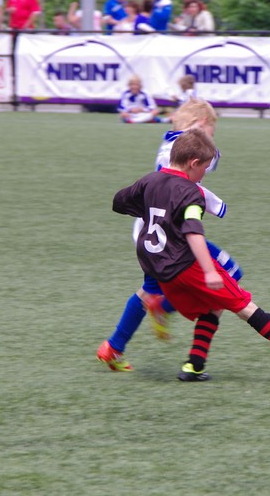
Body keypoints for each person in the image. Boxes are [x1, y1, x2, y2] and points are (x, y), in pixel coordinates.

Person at [112, 128, 270, 380]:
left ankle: (194, 366)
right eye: (205, 168)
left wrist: (151, 207)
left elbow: (119, 202)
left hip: (159, 270)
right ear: (193, 163)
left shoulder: (150, 181)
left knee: (213, 305)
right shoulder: (191, 193)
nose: (204, 174)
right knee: (244, 305)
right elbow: (193, 232)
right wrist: (209, 270)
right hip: (186, 266)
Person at [98, 99, 242, 372]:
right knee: (230, 272)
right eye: (211, 132)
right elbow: (210, 160)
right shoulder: (186, 150)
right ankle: (169, 314)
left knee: (148, 290)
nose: (211, 140)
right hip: (172, 232)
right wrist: (201, 134)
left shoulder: (170, 144)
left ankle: (113, 347)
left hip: (151, 231)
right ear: (201, 124)